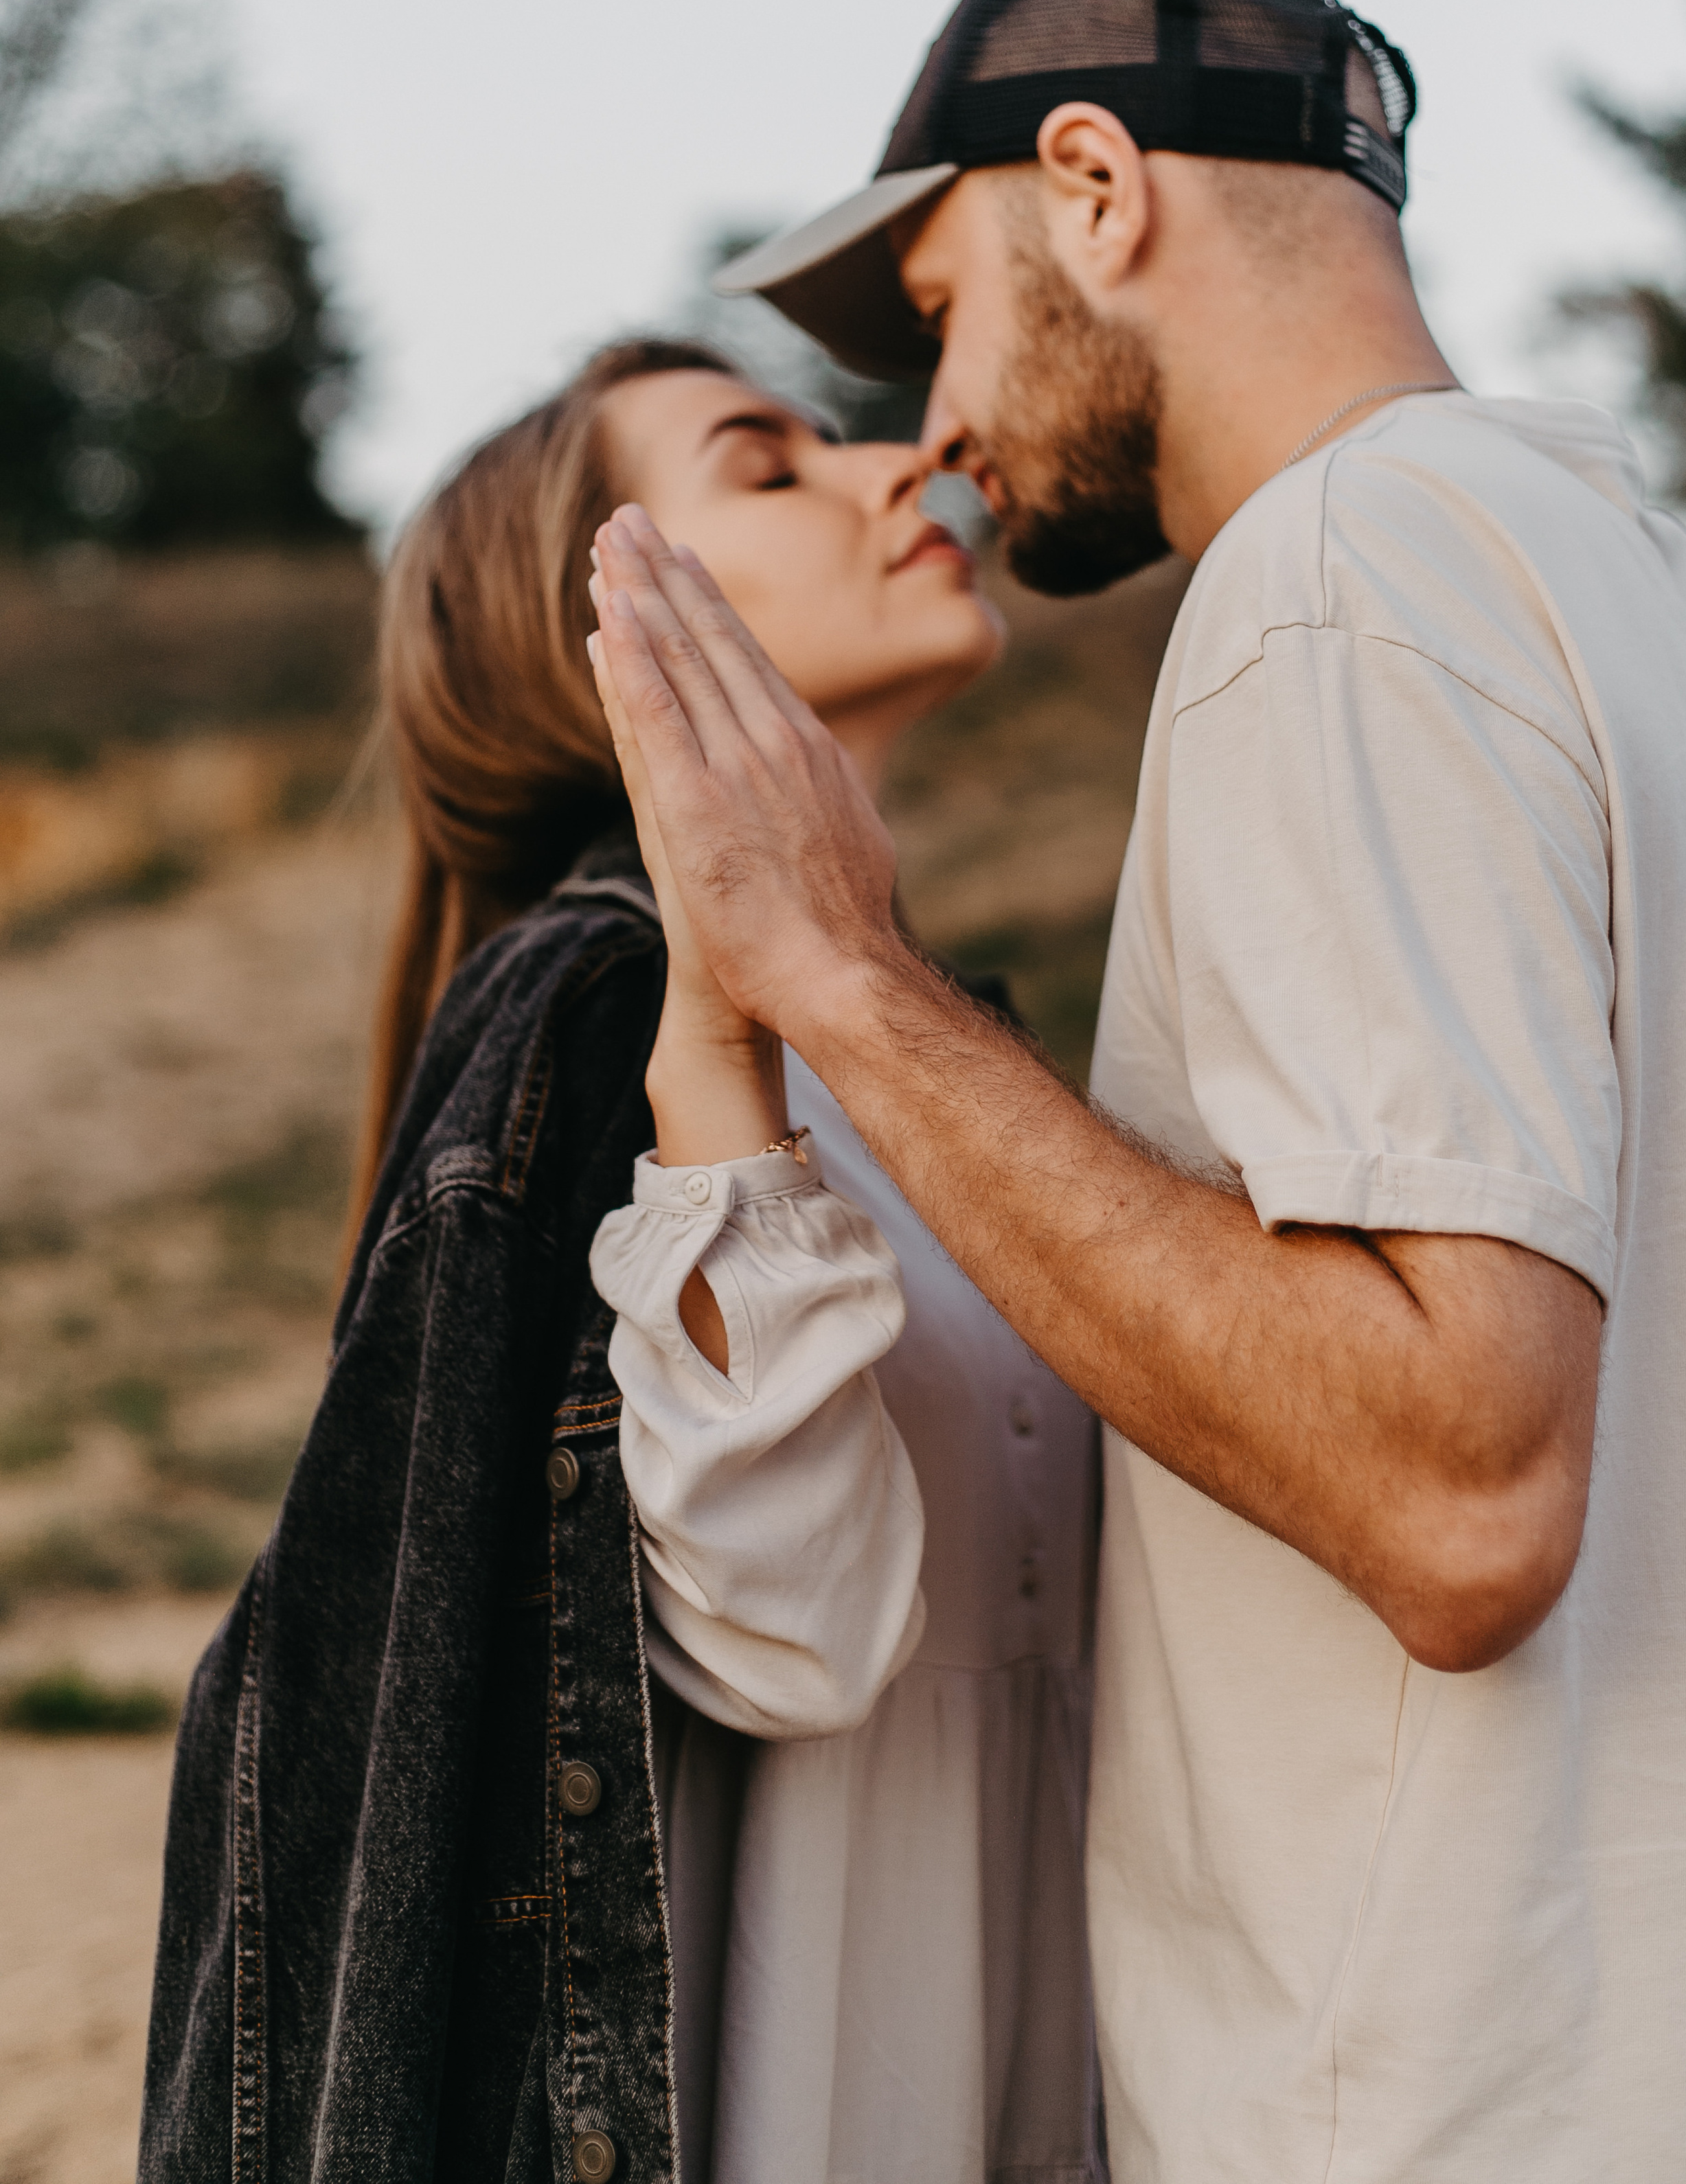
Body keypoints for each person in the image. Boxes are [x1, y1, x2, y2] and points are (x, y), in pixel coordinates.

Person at [585, 0, 1686, 2183]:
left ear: (1099, 191)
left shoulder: (1340, 577)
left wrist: (846, 977)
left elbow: (1463, 1492)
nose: (930, 440)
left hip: (1450, 2104)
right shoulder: (1672, 624)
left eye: (935, 319)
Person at [139, 334, 1105, 2184]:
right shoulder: (587, 1017)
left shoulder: (955, 1057)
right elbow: (798, 1626)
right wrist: (724, 1034)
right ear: (578, 634)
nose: (898, 472)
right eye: (769, 463)